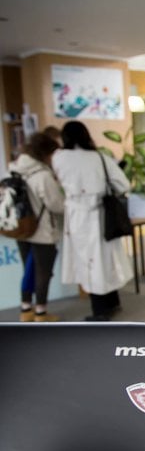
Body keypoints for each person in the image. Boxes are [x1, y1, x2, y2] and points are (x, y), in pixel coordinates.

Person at [52, 121, 133, 321]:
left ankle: (100, 312)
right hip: (100, 214)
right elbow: (123, 183)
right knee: (103, 260)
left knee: (86, 263)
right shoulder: (100, 157)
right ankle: (112, 303)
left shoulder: (59, 157)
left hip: (76, 217)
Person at [9, 132, 65, 322]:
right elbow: (56, 205)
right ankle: (41, 312)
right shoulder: (43, 175)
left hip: (21, 229)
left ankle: (26, 309)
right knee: (43, 272)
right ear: (45, 153)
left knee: (28, 270)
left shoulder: (15, 169)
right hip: (42, 232)